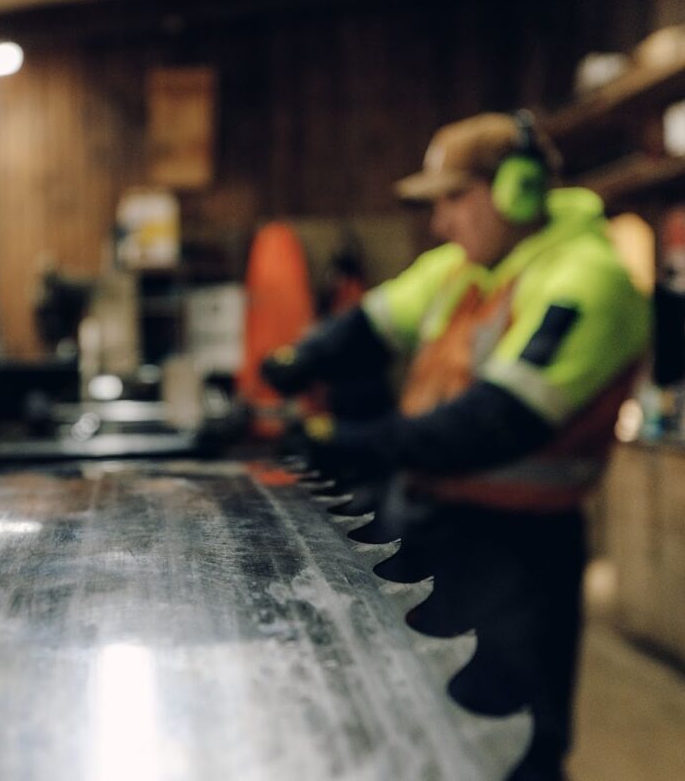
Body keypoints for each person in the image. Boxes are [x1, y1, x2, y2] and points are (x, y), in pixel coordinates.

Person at [260, 111, 650, 780]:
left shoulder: (588, 279)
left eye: (453, 198)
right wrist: (293, 362)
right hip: (433, 523)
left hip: (518, 552)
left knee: (509, 740)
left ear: (517, 190)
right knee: (428, 726)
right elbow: (374, 321)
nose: (439, 222)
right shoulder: (467, 268)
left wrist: (339, 441)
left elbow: (494, 424)